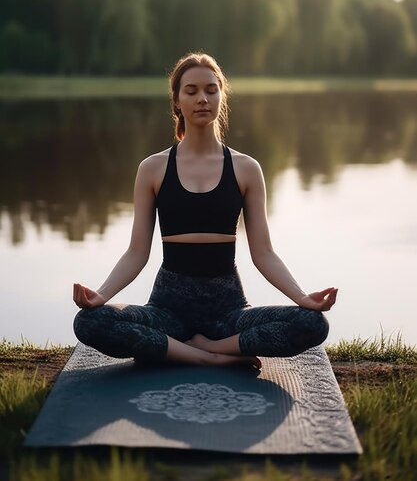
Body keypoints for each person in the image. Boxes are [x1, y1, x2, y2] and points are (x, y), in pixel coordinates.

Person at [73, 52, 337, 369]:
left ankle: (198, 348)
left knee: (313, 324)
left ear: (221, 96)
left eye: (211, 90)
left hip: (228, 312)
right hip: (166, 309)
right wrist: (100, 296)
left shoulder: (246, 169)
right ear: (177, 102)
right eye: (192, 90)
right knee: (89, 321)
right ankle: (208, 358)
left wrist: (303, 298)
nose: (202, 99)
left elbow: (264, 252)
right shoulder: (153, 169)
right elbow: (136, 252)